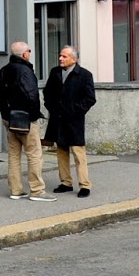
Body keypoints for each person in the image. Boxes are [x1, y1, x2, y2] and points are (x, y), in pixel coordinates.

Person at [0, 40, 54, 201]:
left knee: (14, 155)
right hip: (25, 118)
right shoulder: (25, 71)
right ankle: (37, 191)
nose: (30, 53)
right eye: (29, 51)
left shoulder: (2, 71)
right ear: (25, 54)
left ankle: (15, 190)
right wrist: (34, 115)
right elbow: (31, 95)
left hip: (9, 118)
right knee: (34, 154)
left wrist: (5, 114)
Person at [44, 44, 97, 198]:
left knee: (78, 153)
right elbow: (47, 93)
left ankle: (84, 185)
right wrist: (52, 108)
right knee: (61, 151)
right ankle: (66, 182)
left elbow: (90, 98)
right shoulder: (55, 72)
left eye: (64, 56)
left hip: (74, 120)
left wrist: (75, 110)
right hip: (58, 118)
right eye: (60, 55)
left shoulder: (84, 75)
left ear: (74, 59)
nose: (60, 58)